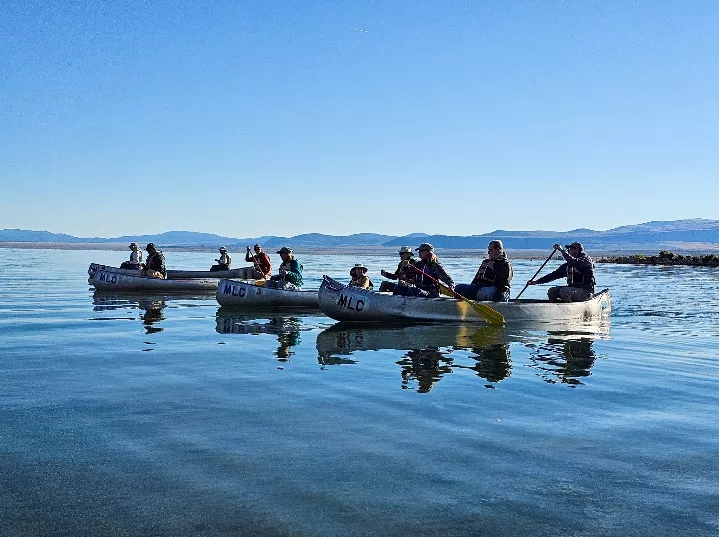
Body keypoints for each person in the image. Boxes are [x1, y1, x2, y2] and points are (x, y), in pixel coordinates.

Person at [527, 242, 595, 302]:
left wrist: (562, 251)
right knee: (552, 291)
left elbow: (574, 262)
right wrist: (537, 281)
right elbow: (554, 275)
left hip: (585, 292)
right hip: (572, 291)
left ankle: (571, 310)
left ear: (576, 250)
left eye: (570, 249)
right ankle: (556, 308)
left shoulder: (586, 261)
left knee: (564, 291)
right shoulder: (568, 266)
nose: (568, 250)